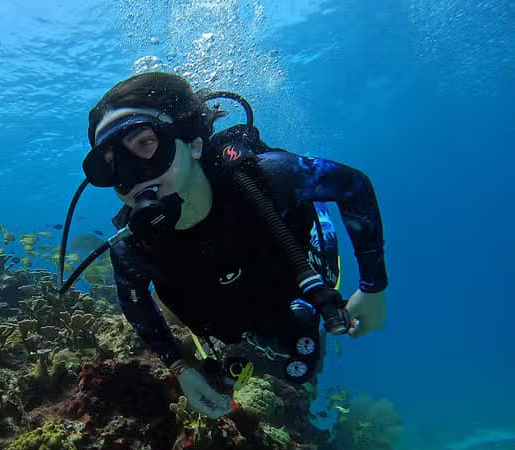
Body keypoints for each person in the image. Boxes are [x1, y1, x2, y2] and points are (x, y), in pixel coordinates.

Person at [81, 72, 388, 419]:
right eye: (110, 165)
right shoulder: (130, 247)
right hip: (227, 310)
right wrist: (180, 368)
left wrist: (373, 286)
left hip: (290, 268)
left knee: (301, 328)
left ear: (193, 143)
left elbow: (353, 186)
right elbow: (133, 301)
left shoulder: (270, 176)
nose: (131, 174)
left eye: (146, 142)